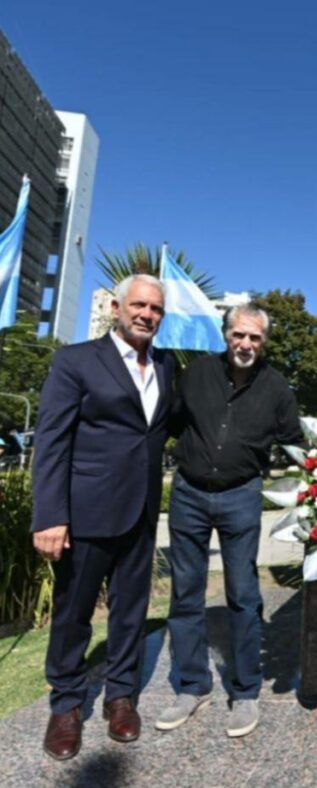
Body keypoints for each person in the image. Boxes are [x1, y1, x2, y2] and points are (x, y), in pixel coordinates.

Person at [32, 274, 173, 760]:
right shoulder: (76, 361)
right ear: (117, 307)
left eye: (155, 309)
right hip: (85, 513)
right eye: (138, 305)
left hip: (140, 513)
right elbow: (51, 442)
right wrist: (50, 516)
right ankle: (66, 705)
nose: (146, 315)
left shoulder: (166, 365)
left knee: (131, 612)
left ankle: (120, 698)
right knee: (73, 616)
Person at [156, 303, 304, 738]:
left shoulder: (277, 388)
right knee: (186, 593)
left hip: (241, 495)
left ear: (264, 342)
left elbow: (296, 444)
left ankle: (244, 692)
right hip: (189, 494)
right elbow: (172, 422)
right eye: (239, 334)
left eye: (255, 338)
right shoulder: (198, 372)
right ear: (226, 334)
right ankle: (191, 685)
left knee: (243, 593)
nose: (246, 344)